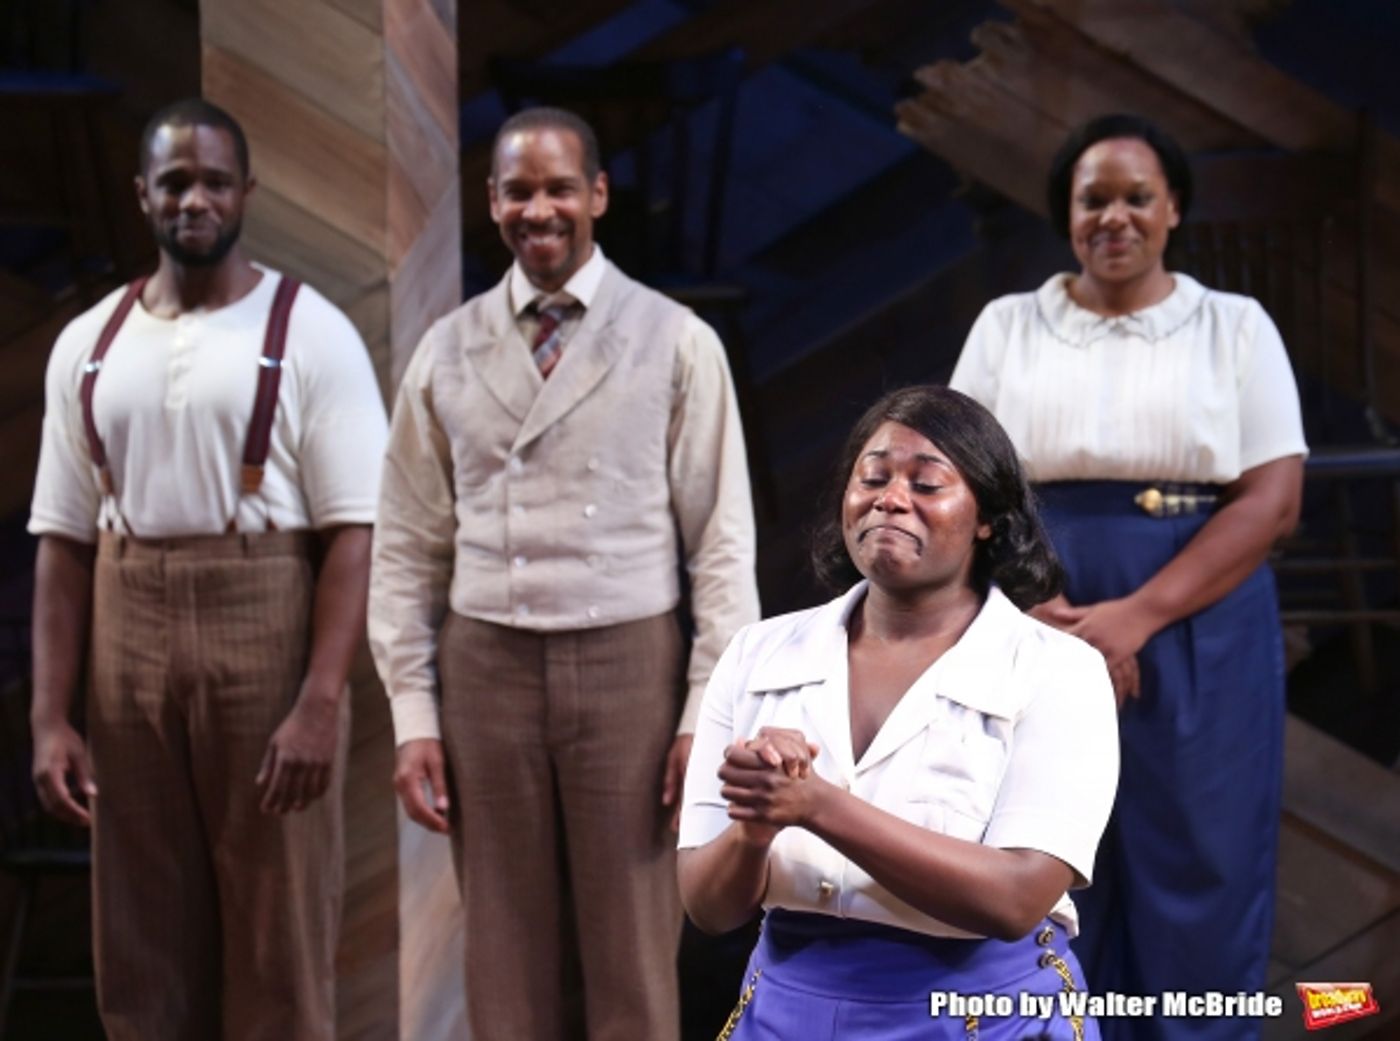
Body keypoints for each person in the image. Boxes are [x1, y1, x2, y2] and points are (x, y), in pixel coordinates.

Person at [368, 106, 759, 1041]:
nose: (537, 209)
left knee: (630, 944)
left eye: (556, 188)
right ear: (492, 201)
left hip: (631, 664)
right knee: (500, 946)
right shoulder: (448, 348)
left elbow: (723, 546)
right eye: (516, 190)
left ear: (597, 195)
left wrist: (704, 715)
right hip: (486, 668)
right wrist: (414, 718)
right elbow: (406, 546)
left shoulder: (675, 339)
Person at [27, 97, 388, 1040]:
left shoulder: (308, 331)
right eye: (175, 182)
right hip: (125, 620)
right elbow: (62, 540)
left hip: (264, 612)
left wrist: (321, 698)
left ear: (246, 194)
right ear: (142, 192)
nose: (195, 199)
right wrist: (48, 715)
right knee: (140, 919)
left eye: (214, 181)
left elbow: (355, 532)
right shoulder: (89, 345)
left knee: (276, 916)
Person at [950, 114, 1307, 1041]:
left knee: (1201, 857)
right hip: (1034, 611)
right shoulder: (1007, 326)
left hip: (1197, 612)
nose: (1115, 216)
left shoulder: (1234, 326)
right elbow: (958, 479)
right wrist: (1039, 606)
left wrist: (1133, 618)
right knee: (1046, 856)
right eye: (1093, 199)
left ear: (1173, 208)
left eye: (1136, 197)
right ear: (1066, 214)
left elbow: (1272, 498)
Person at [679, 385, 1119, 1041]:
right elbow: (708, 908)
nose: (889, 497)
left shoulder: (1058, 669)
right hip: (785, 1011)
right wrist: (754, 827)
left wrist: (816, 804)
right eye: (873, 477)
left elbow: (1016, 896)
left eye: (927, 483)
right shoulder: (756, 653)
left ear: (987, 518)